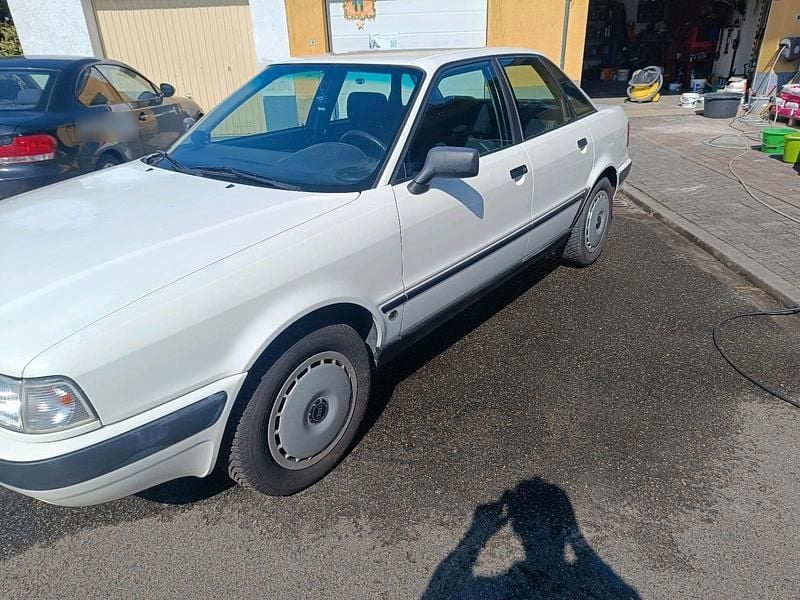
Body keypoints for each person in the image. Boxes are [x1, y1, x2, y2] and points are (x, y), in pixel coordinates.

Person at [422, 478, 640, 599]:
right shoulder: (587, 588)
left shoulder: (500, 590)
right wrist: (576, 537)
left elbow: (438, 595)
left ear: (517, 530)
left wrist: (476, 536)